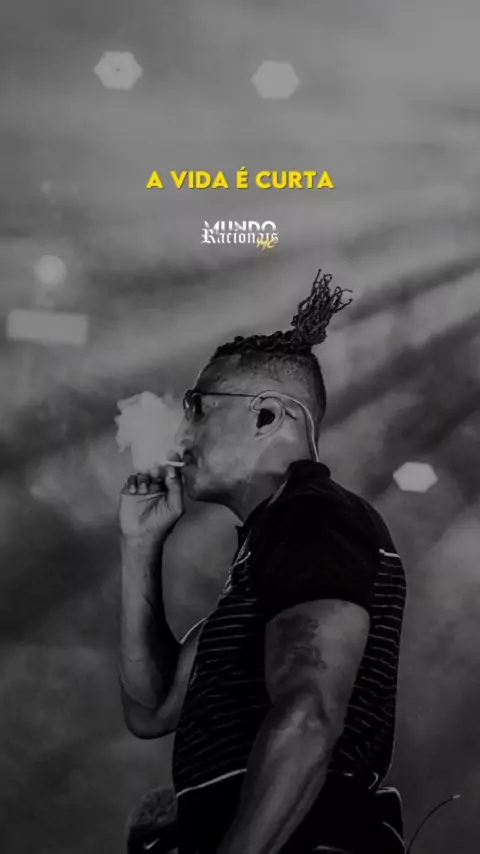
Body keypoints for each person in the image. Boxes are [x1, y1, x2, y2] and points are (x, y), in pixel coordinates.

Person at [118, 270, 407, 854]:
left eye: (198, 408)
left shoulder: (314, 516)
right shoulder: (273, 544)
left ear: (268, 416)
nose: (182, 433)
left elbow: (308, 716)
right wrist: (140, 546)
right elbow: (151, 708)